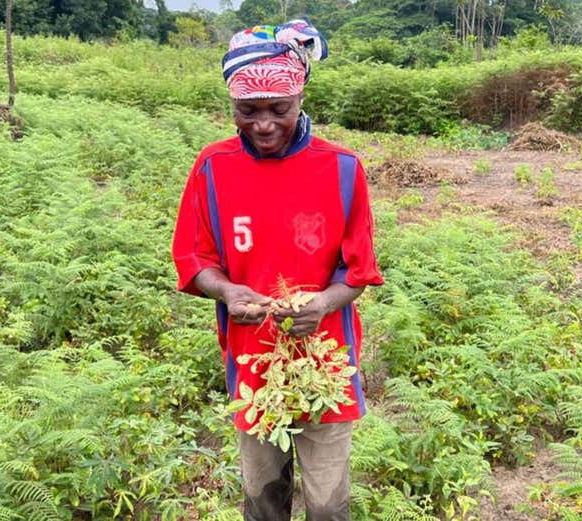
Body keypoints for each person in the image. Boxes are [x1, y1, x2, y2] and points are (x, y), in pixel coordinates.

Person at [171, 20, 383, 521]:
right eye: (248, 111)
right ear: (232, 107)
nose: (263, 124)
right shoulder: (212, 168)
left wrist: (324, 303)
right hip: (254, 367)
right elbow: (194, 259)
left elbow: (359, 269)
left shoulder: (343, 169)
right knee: (263, 502)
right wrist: (227, 291)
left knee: (330, 507)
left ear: (301, 97)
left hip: (326, 366)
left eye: (278, 110)